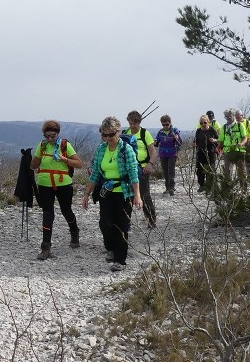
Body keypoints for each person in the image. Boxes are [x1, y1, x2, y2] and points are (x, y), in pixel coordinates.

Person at [81, 116, 142, 272]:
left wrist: (137, 195)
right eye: (104, 135)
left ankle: (120, 260)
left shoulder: (125, 149)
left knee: (122, 225)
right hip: (106, 192)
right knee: (105, 223)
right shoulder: (102, 149)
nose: (107, 138)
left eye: (111, 135)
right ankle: (111, 248)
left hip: (123, 192)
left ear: (118, 132)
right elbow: (95, 173)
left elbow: (133, 174)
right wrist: (87, 194)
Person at [30, 120, 83, 260]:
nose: (49, 139)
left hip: (63, 184)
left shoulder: (65, 145)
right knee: (48, 214)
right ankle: (45, 247)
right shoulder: (42, 146)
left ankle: (74, 232)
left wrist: (64, 159)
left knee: (66, 210)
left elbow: (79, 164)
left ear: (58, 134)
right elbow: (33, 165)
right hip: (44, 184)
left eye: (52, 136)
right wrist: (31, 159)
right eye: (47, 136)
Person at [123, 110, 159, 227]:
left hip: (143, 169)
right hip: (128, 169)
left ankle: (150, 218)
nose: (132, 126)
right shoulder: (125, 133)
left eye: (135, 123)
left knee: (144, 195)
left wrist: (150, 164)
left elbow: (153, 151)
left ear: (139, 122)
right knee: (128, 195)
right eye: (131, 123)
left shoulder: (145, 134)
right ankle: (126, 221)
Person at [222, 110, 250, 190]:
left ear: (234, 116)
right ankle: (229, 188)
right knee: (227, 170)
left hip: (239, 150)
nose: (228, 118)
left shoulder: (240, 125)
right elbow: (221, 140)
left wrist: (241, 143)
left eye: (230, 116)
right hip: (228, 151)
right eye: (226, 116)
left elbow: (245, 137)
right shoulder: (224, 127)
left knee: (241, 170)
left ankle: (243, 188)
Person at [155, 115, 182, 195]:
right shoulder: (160, 132)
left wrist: (176, 138)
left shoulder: (175, 131)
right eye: (163, 125)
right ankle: (167, 188)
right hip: (163, 154)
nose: (165, 126)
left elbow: (180, 143)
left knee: (171, 170)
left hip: (172, 153)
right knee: (165, 171)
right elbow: (156, 144)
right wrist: (154, 142)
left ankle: (172, 187)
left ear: (170, 123)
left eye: (167, 124)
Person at [193, 115, 220, 192]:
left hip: (211, 152)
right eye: (201, 123)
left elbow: (219, 140)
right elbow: (196, 141)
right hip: (200, 153)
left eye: (205, 122)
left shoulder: (212, 130)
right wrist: (194, 143)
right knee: (200, 170)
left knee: (210, 169)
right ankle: (201, 185)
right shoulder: (198, 131)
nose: (203, 124)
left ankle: (209, 186)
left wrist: (214, 140)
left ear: (208, 122)